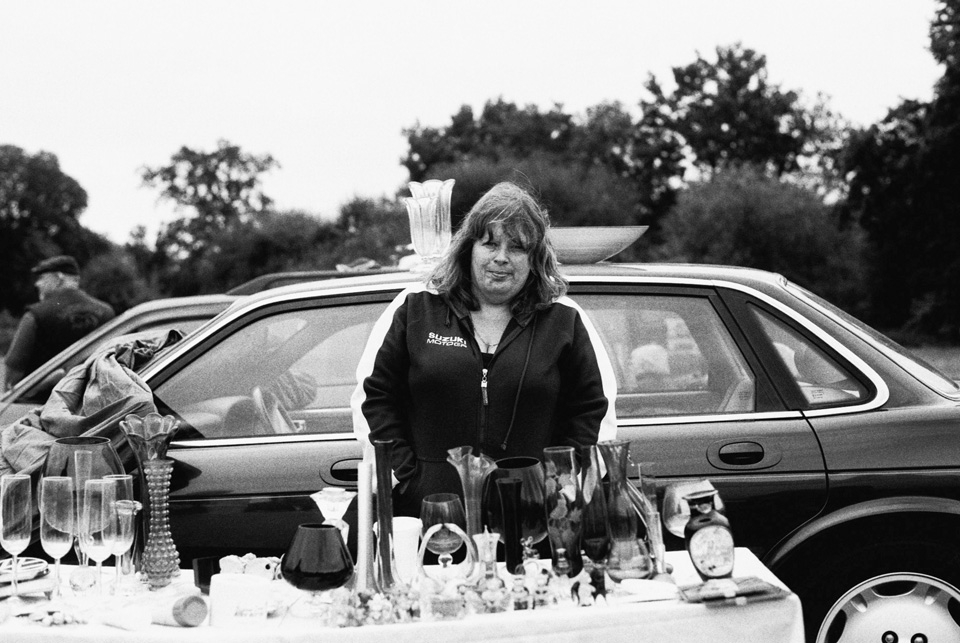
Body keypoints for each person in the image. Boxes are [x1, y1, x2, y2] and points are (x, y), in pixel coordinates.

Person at [352, 182, 618, 518]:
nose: (502, 258)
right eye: (490, 243)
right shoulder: (415, 309)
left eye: (518, 248)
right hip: (429, 513)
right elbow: (373, 399)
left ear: (535, 259)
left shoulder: (565, 319)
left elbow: (594, 412)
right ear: (468, 248)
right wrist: (406, 476)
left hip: (533, 516)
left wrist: (560, 486)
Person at [3, 255, 115, 391]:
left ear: (58, 278)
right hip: (92, 405)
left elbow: (12, 376)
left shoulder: (36, 315)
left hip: (41, 407)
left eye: (42, 278)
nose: (37, 284)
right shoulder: (108, 313)